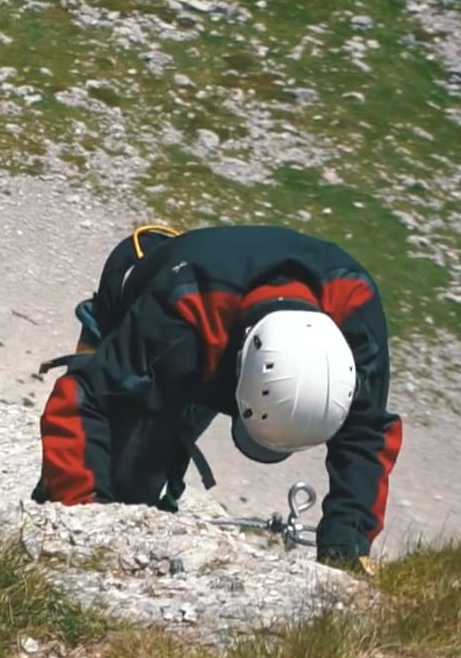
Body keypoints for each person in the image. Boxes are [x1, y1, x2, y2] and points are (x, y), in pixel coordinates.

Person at [31, 223, 403, 573]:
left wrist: (345, 550)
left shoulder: (356, 315)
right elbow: (85, 399)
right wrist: (87, 526)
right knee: (128, 478)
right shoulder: (178, 315)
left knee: (147, 466)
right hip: (173, 314)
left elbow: (366, 437)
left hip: (220, 320)